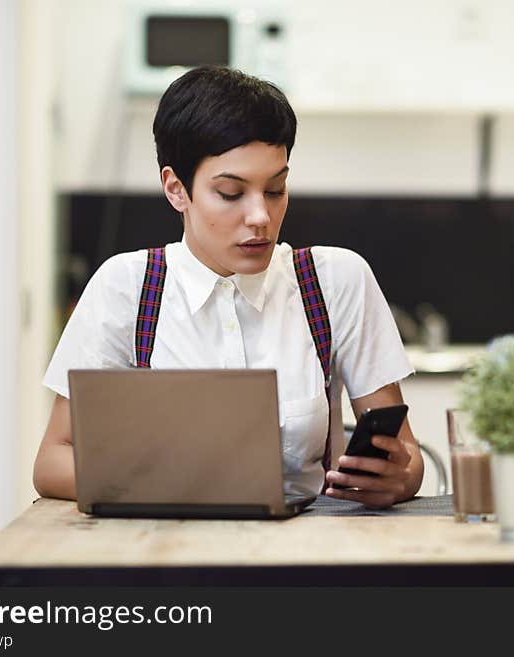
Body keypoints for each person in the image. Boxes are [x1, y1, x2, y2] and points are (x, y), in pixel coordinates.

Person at [33, 65, 423, 508]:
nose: (260, 217)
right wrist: (191, 487)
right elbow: (53, 462)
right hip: (160, 551)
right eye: (231, 193)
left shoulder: (334, 281)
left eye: (275, 190)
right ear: (177, 189)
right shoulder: (127, 288)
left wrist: (399, 477)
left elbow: (407, 459)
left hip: (307, 550)